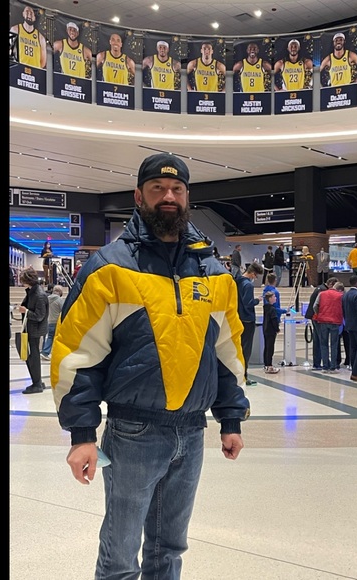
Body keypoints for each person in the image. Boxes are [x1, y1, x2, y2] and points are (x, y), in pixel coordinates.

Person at [50, 152, 250, 578]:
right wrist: (82, 434)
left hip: (192, 432)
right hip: (132, 432)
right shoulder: (109, 268)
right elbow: (78, 353)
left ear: (187, 197)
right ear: (139, 197)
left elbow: (227, 351)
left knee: (170, 549)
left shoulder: (213, 272)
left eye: (177, 189)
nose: (168, 197)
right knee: (120, 554)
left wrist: (231, 419)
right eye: (158, 188)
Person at [18, 267, 49, 394]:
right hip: (32, 329)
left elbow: (39, 316)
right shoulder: (32, 292)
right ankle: (37, 381)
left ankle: (37, 384)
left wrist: (26, 311)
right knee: (31, 356)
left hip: (36, 331)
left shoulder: (39, 295)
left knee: (33, 357)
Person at [234, 262, 264, 386]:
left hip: (238, 318)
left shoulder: (237, 281)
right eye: (255, 276)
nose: (255, 278)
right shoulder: (248, 285)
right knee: (246, 350)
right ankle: (244, 376)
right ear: (252, 273)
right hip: (247, 319)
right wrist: (257, 300)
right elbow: (248, 303)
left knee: (238, 349)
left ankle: (238, 376)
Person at [305, 277, 338, 370]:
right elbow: (318, 305)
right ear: (331, 284)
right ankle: (326, 363)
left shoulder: (319, 288)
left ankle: (317, 363)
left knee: (317, 340)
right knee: (322, 340)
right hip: (318, 318)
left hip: (313, 316)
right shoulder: (323, 291)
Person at [312, 277, 344, 373]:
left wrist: (319, 313)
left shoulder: (322, 294)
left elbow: (315, 306)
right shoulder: (340, 295)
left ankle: (325, 367)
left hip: (323, 321)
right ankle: (333, 367)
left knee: (323, 344)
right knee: (334, 344)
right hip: (335, 321)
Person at [10, 4, 47, 70]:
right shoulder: (15, 29)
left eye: (31, 13)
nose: (29, 14)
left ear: (34, 17)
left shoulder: (40, 37)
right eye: (27, 11)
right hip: (18, 69)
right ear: (23, 14)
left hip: (35, 71)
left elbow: (43, 62)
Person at [40, 284, 65, 361]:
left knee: (49, 337)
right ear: (60, 292)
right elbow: (63, 310)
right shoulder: (59, 300)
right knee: (57, 338)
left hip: (49, 321)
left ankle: (45, 351)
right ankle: (47, 352)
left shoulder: (47, 299)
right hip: (56, 322)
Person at [262, 291, 281, 374]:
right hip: (271, 330)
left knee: (267, 347)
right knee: (270, 348)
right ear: (270, 299)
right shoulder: (272, 309)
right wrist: (277, 329)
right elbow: (274, 320)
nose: (275, 298)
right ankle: (269, 366)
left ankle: (266, 364)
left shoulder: (266, 308)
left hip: (265, 329)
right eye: (274, 297)